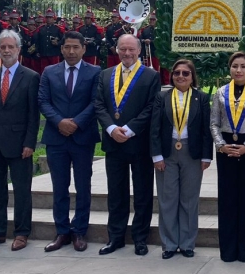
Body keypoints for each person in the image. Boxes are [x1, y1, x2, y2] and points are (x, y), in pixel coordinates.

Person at [93, 34, 160, 256]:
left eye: (131, 49)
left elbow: (151, 107)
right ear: (117, 50)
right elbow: (99, 105)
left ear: (139, 50)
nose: (127, 53)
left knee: (142, 193)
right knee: (116, 193)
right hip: (114, 143)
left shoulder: (151, 76)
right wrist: (111, 129)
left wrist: (130, 129)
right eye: (123, 49)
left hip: (138, 143)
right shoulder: (105, 74)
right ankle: (116, 237)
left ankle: (141, 238)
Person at [0, 31, 40, 251]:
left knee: (22, 190)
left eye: (11, 46)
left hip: (20, 144)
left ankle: (22, 233)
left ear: (19, 49)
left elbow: (33, 114)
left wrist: (30, 142)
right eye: (3, 47)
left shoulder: (31, 76)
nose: (6, 50)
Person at [39, 31, 102, 252]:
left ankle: (79, 231)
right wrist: (59, 122)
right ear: (62, 48)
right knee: (59, 186)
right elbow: (43, 101)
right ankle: (62, 232)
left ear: (84, 49)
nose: (71, 51)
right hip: (56, 138)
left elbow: (96, 102)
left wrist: (75, 123)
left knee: (83, 186)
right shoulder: (49, 72)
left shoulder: (95, 72)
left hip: (82, 137)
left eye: (76, 47)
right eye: (67, 47)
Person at [151, 59, 212, 259]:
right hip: (167, 153)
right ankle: (169, 244)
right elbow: (155, 129)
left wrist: (206, 156)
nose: (181, 76)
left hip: (191, 153)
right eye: (177, 72)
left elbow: (206, 129)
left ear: (192, 76)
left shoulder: (201, 98)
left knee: (189, 199)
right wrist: (156, 155)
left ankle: (187, 243)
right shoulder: (162, 97)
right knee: (167, 199)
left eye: (186, 73)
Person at [210, 52, 245, 263]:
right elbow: (214, 123)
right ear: (230, 69)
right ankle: (227, 250)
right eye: (235, 66)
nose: (239, 70)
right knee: (227, 201)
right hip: (226, 149)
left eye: (243, 66)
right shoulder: (220, 92)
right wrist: (221, 145)